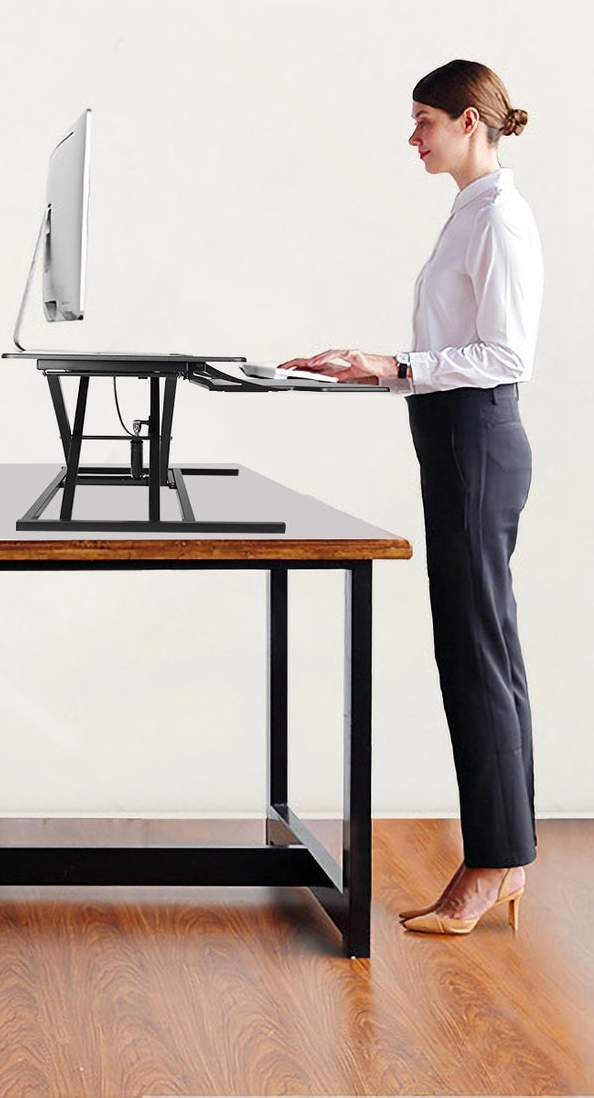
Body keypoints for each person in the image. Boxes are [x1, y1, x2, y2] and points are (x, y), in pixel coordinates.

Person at [282, 59, 542, 936]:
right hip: (454, 440)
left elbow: (505, 357)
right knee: (481, 651)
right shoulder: (469, 213)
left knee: (474, 656)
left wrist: (396, 368)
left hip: (476, 445)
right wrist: (370, 368)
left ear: (471, 121)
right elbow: (451, 348)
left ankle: (492, 863)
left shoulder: (499, 217)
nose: (413, 137)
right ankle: (504, 855)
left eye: (425, 120)